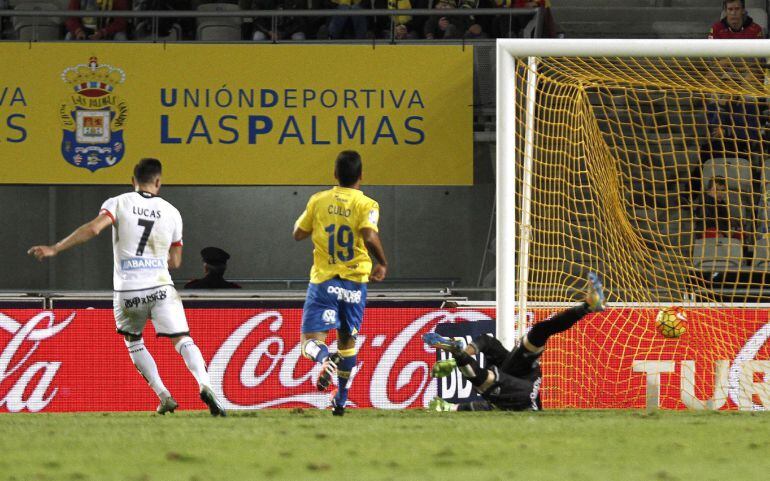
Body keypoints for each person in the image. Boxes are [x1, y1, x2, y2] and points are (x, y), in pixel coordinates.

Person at [27, 158, 226, 417]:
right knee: (182, 339)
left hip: (128, 290)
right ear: (158, 182)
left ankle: (164, 395)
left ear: (133, 181)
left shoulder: (118, 202)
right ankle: (205, 385)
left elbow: (94, 229)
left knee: (133, 341)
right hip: (161, 286)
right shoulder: (172, 212)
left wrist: (55, 248)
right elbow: (175, 262)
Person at [424, 272, 605, 412]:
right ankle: (587, 307)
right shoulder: (498, 388)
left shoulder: (498, 387)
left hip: (526, 387)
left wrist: (453, 407)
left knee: (491, 378)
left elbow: (484, 405)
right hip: (526, 387)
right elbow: (486, 344)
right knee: (536, 333)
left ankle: (458, 354)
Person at [293, 150, 388, 416]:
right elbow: (369, 235)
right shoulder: (368, 204)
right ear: (361, 176)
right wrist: (382, 262)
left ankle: (324, 359)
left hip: (324, 281)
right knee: (347, 343)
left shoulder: (318, 200)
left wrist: (319, 224)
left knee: (309, 343)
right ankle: (341, 399)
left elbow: (298, 233)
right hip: (354, 285)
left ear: (335, 174)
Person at [65, 0, 130, 41]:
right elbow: (71, 18)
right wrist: (78, 31)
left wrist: (103, 32)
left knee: (121, 38)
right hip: (83, 33)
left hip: (109, 33)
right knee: (69, 36)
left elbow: (121, 21)